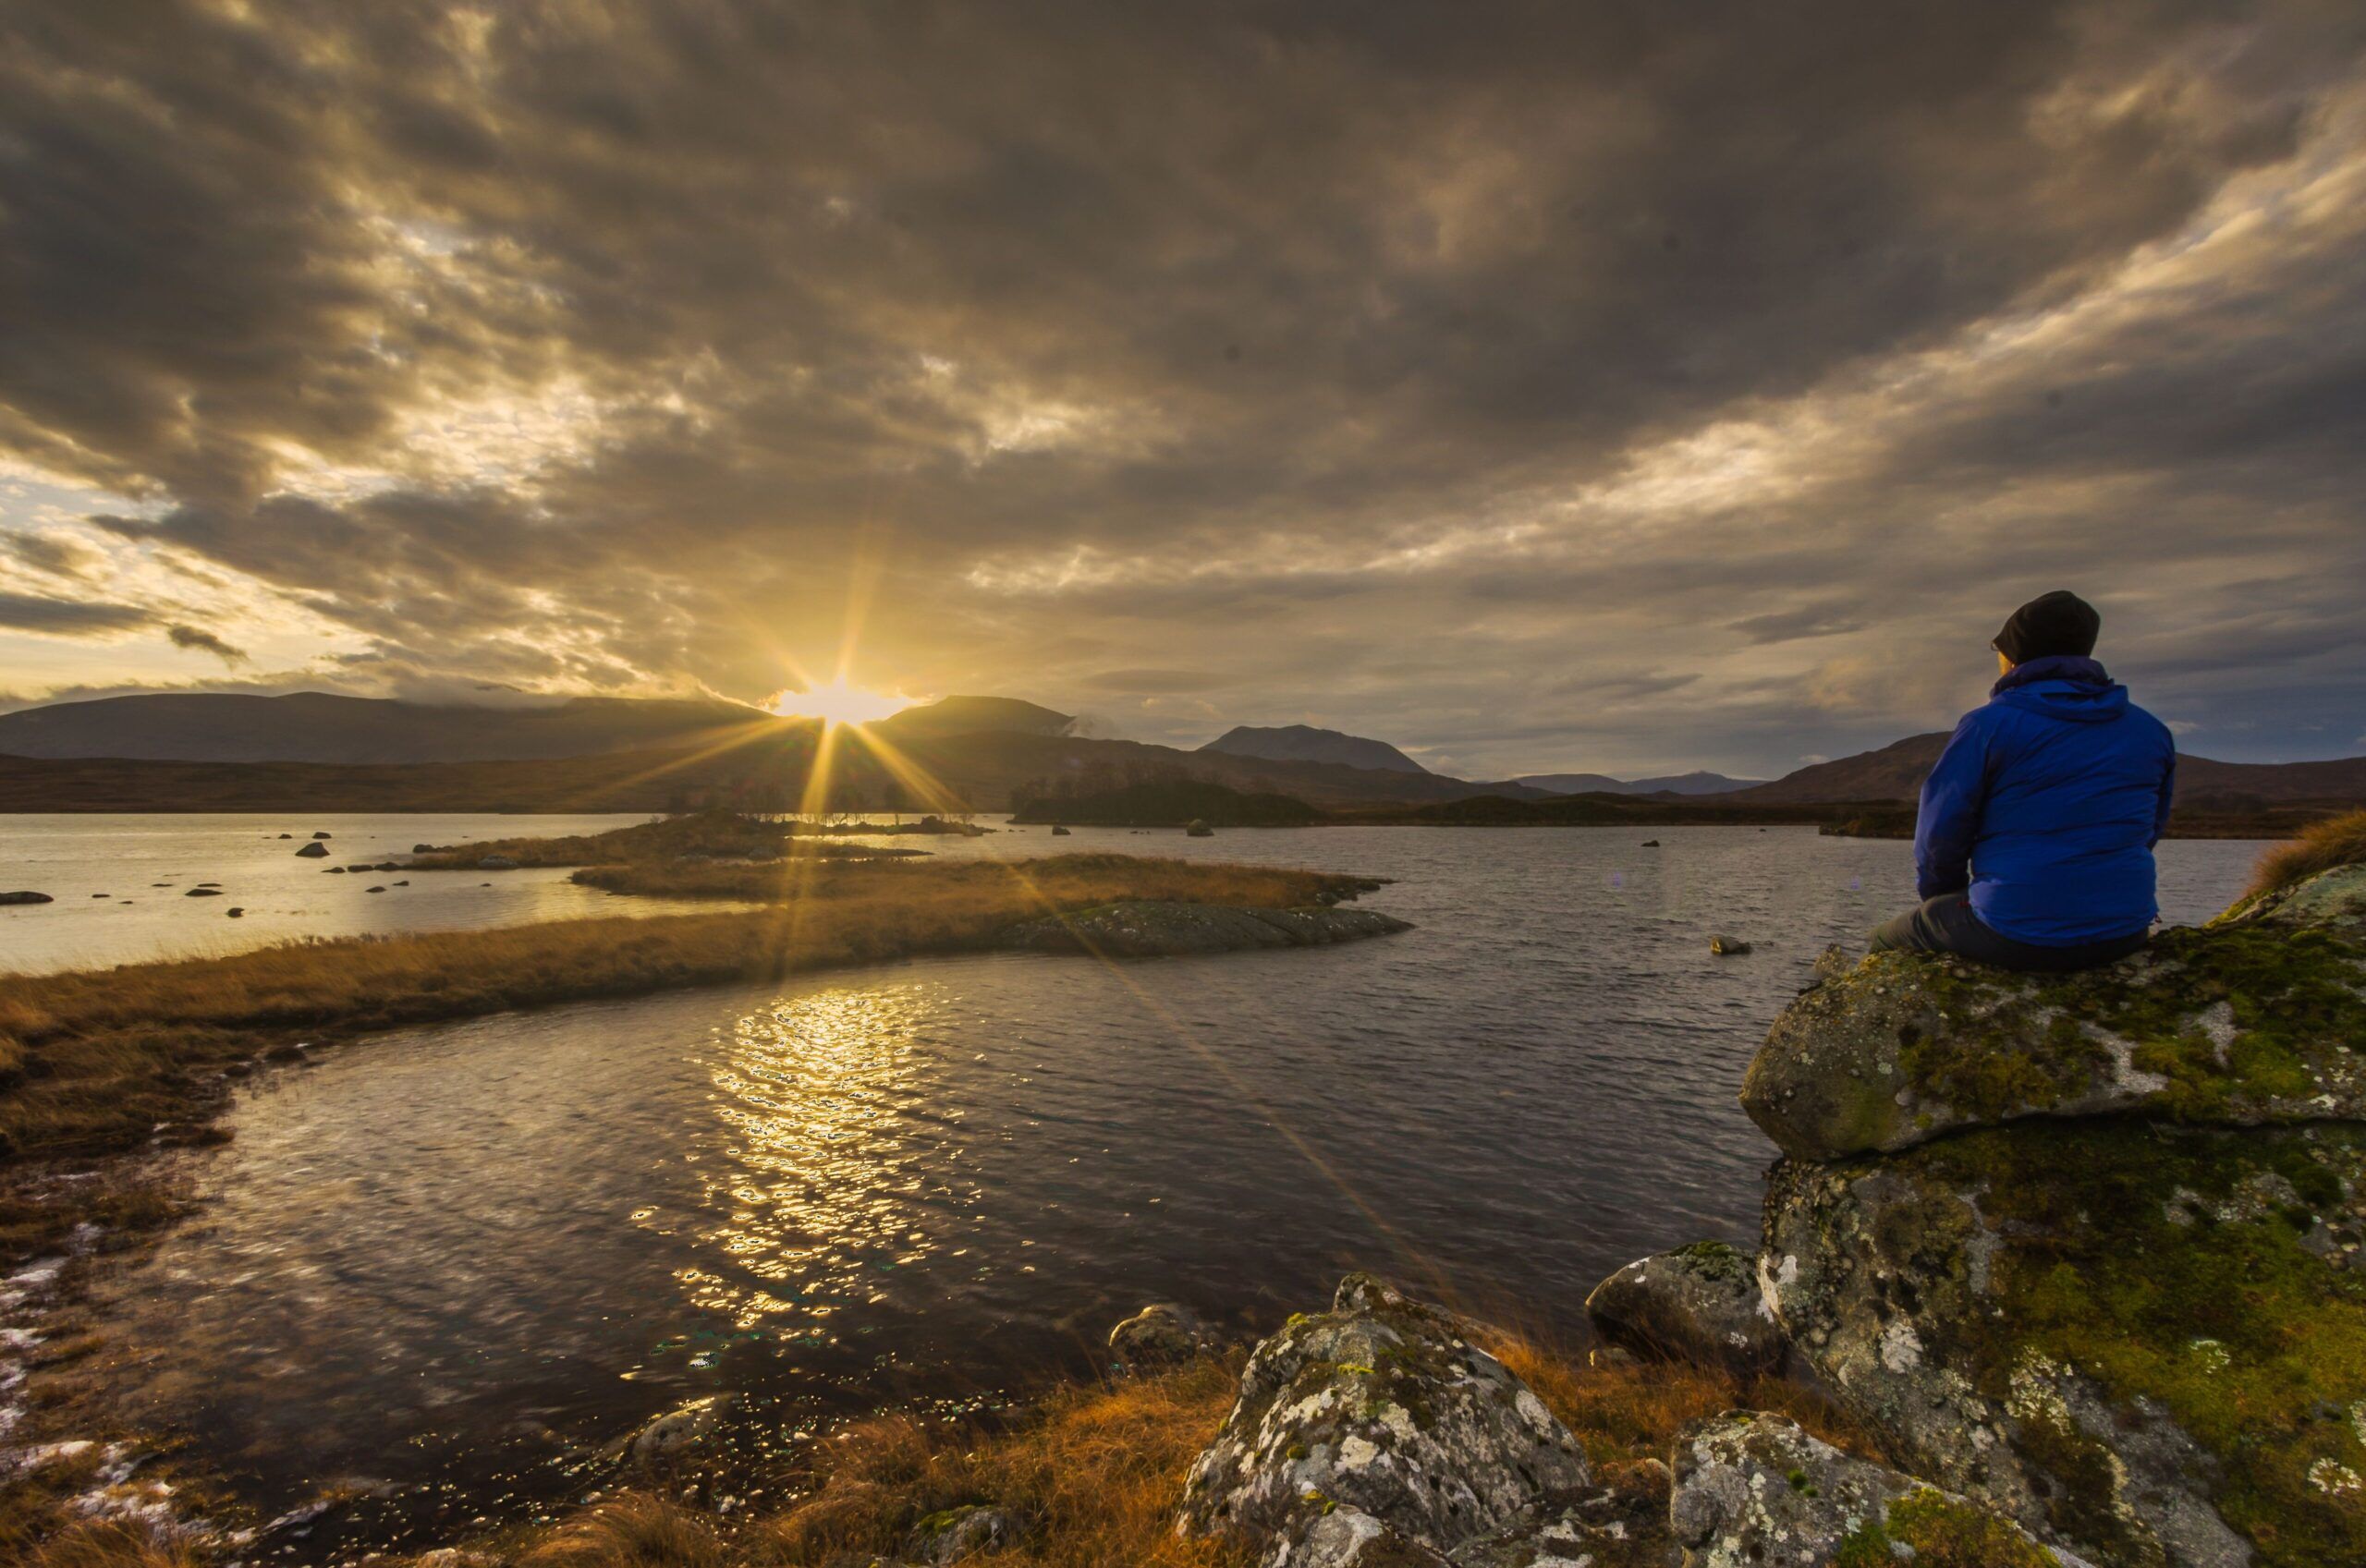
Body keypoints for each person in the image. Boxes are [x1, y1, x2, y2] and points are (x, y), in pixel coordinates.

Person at [1869, 590, 2175, 972]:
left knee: (1883, 939)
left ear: (2013, 656)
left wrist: (1942, 898)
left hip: (2016, 932)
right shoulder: (2150, 730)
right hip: (2125, 930)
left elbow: (1940, 832)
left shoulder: (1988, 726)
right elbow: (2150, 827)